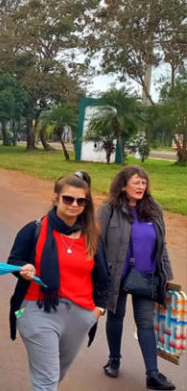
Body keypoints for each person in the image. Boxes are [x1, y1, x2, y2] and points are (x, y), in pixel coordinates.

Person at [7, 172, 108, 391]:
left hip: (80, 314)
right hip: (38, 308)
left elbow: (103, 277)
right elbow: (14, 261)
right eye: (68, 199)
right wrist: (23, 270)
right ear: (55, 198)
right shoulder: (34, 229)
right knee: (47, 379)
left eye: (81, 201)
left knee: (56, 374)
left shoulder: (92, 235)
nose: (74, 204)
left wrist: (98, 310)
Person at [98, 166, 175, 390]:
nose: (141, 187)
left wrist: (167, 273)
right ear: (123, 185)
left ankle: (152, 373)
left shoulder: (154, 209)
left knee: (145, 323)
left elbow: (162, 245)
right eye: (136, 182)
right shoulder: (109, 210)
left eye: (144, 183)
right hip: (116, 276)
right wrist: (98, 274)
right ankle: (114, 360)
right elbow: (97, 244)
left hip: (146, 276)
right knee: (115, 317)